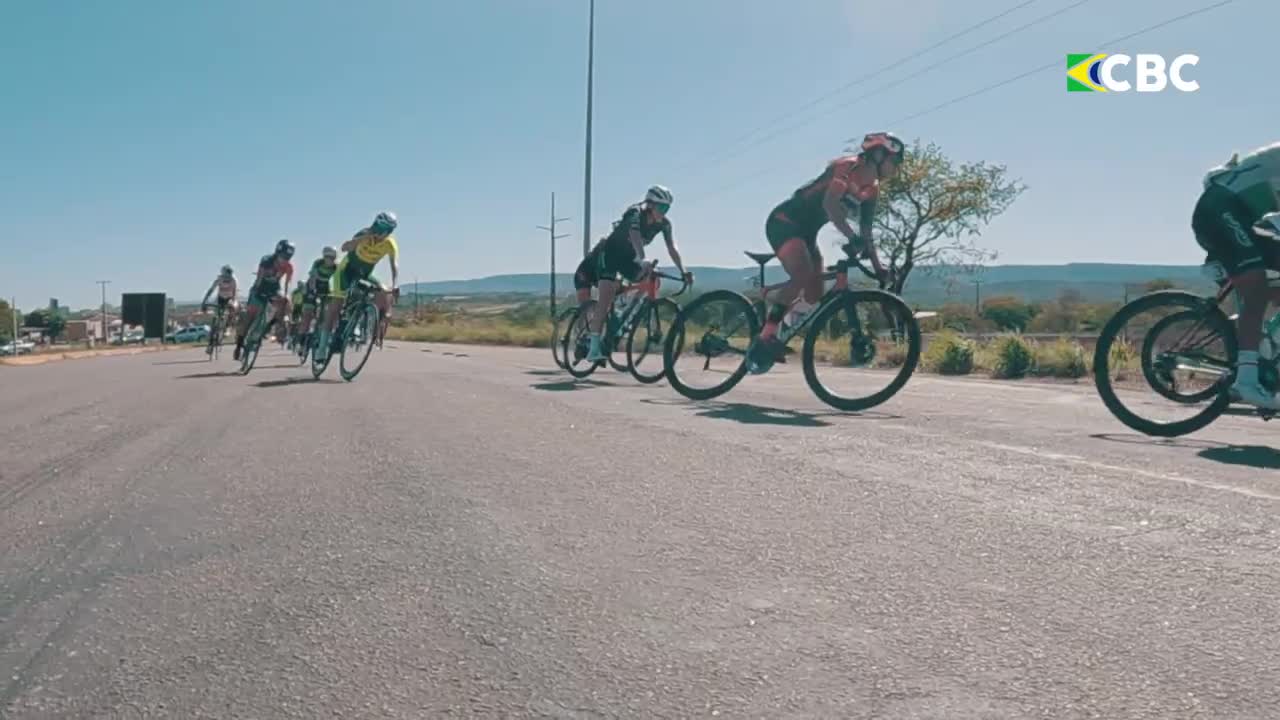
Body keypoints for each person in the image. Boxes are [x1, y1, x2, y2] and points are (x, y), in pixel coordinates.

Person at [745, 131, 902, 375]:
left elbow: (867, 232)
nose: (898, 168)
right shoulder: (847, 167)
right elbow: (830, 205)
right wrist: (851, 237)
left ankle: (779, 326)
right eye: (896, 161)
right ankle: (765, 337)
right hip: (785, 221)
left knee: (815, 291)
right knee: (802, 275)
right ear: (879, 155)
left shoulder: (872, 189)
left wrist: (878, 267)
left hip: (808, 232)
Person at [1194, 141, 1280, 409]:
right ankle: (1246, 381)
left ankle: (1257, 341)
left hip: (1247, 218)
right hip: (1221, 208)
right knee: (1255, 289)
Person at [583, 185, 693, 362]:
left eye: (667, 209)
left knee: (652, 279)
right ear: (650, 205)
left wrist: (684, 270)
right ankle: (594, 347)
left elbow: (672, 247)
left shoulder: (664, 224)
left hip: (629, 259)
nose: (664, 212)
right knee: (605, 297)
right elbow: (634, 234)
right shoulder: (634, 212)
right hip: (610, 255)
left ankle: (627, 312)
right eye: (662, 208)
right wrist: (642, 258)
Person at [317, 212, 400, 361]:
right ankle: (322, 348)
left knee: (382, 291)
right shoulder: (365, 233)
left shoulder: (390, 244)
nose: (379, 233)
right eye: (377, 228)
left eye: (384, 231)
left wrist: (395, 284)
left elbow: (394, 265)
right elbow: (344, 247)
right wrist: (362, 239)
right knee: (336, 306)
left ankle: (357, 321)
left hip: (364, 274)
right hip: (346, 271)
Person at [234, 239, 296, 361]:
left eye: (287, 258)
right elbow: (259, 278)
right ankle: (239, 345)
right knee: (249, 315)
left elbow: (287, 284)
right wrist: (256, 292)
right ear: (277, 253)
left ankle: (275, 327)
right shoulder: (267, 260)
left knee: (284, 303)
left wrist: (286, 296)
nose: (284, 260)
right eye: (283, 257)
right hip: (260, 288)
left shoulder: (289, 267)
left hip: (274, 290)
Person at [298, 245, 339, 352]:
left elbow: (338, 283)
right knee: (307, 315)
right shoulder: (318, 263)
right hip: (313, 288)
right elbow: (312, 278)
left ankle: (323, 335)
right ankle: (301, 343)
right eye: (327, 257)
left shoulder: (336, 268)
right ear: (324, 257)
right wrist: (312, 291)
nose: (329, 260)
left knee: (328, 312)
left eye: (332, 258)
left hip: (326, 291)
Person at [201, 265, 239, 330]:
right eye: (225, 276)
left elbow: (234, 292)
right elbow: (211, 290)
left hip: (230, 297)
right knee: (218, 313)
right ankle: (215, 325)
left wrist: (232, 302)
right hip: (220, 297)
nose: (226, 278)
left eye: (228, 276)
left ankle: (228, 327)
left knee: (232, 309)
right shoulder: (219, 279)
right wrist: (204, 301)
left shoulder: (234, 280)